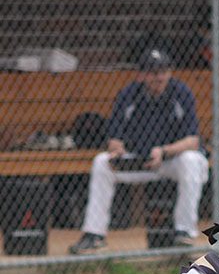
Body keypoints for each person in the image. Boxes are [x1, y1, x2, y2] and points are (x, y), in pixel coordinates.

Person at [69, 48, 209, 254]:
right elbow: (115, 138)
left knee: (191, 160)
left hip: (172, 161)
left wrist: (164, 151)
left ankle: (184, 232)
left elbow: (193, 140)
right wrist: (116, 150)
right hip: (139, 161)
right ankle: (94, 234)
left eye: (163, 71)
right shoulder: (128, 94)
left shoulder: (181, 92)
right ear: (141, 75)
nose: (158, 77)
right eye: (153, 72)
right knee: (101, 162)